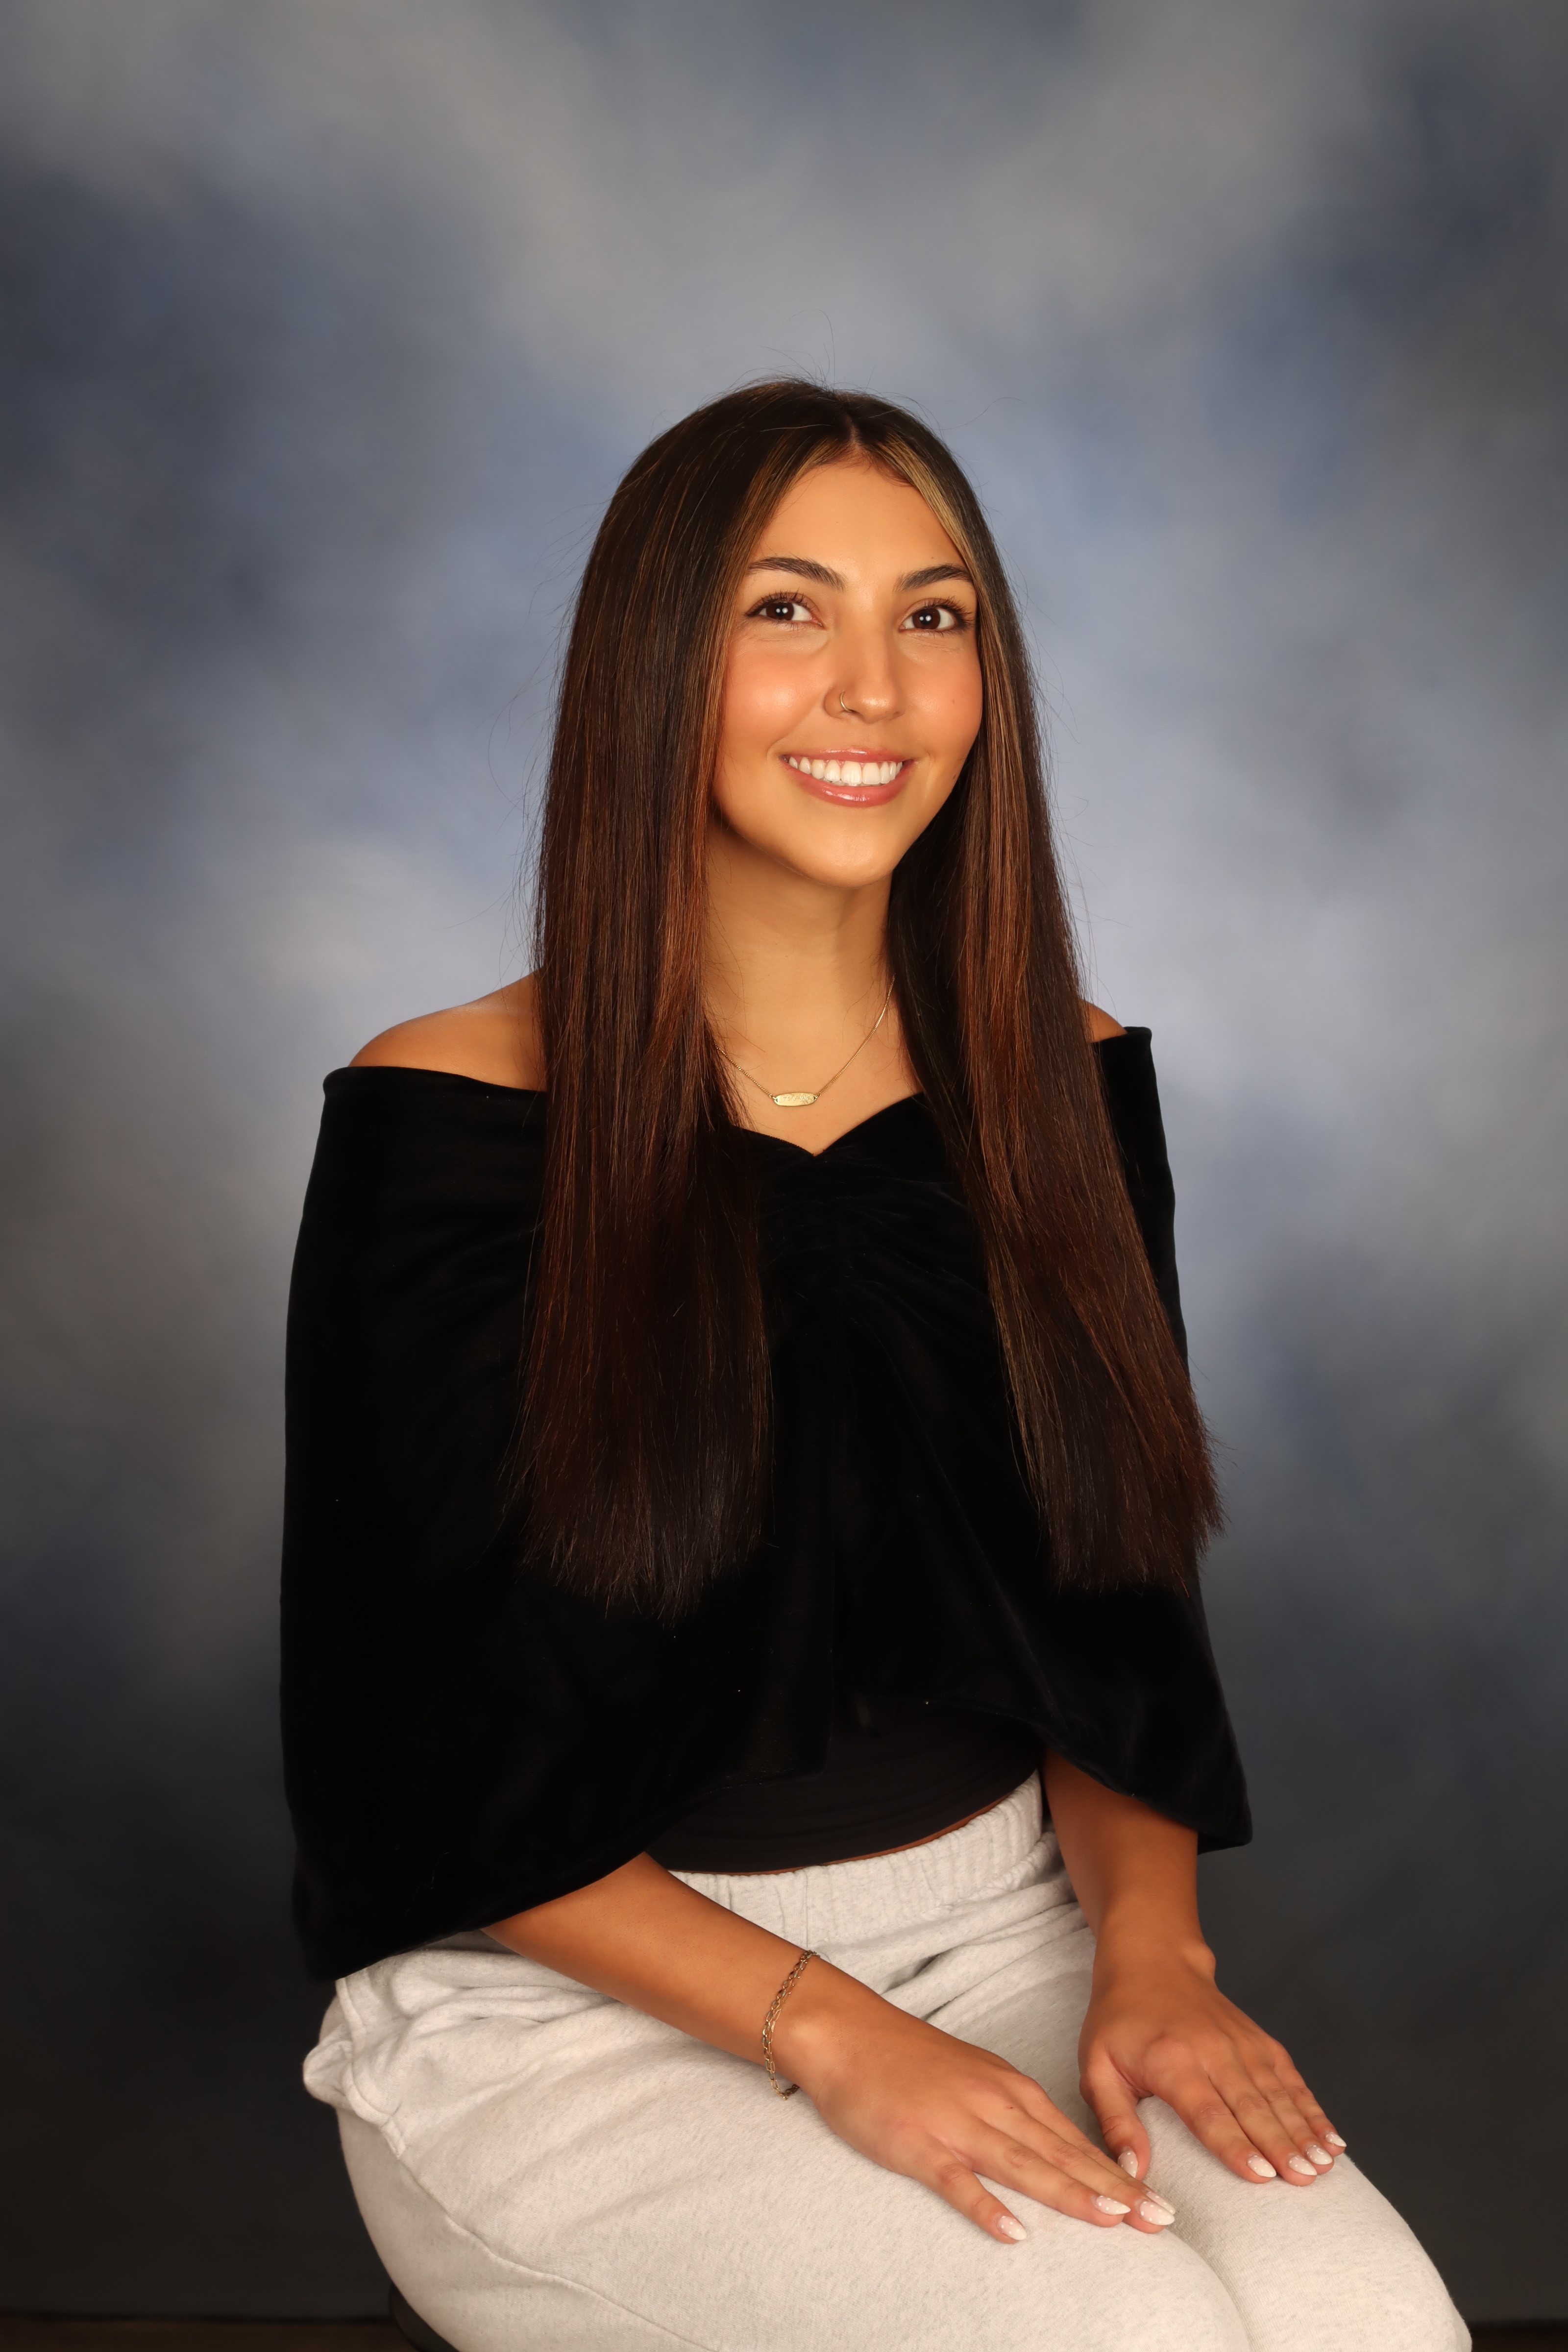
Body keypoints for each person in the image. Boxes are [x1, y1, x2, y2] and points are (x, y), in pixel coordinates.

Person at [283, 381, 1467, 2351]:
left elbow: (1116, 1613)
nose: (874, 689)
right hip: (567, 2009)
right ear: (652, 667)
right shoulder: (455, 1115)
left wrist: (1155, 1959)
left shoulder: (1063, 1076)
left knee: (1371, 2328)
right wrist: (828, 2029)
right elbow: (411, 1767)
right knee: (1125, 2336)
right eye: (784, 611)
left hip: (1005, 1933)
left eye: (933, 617)